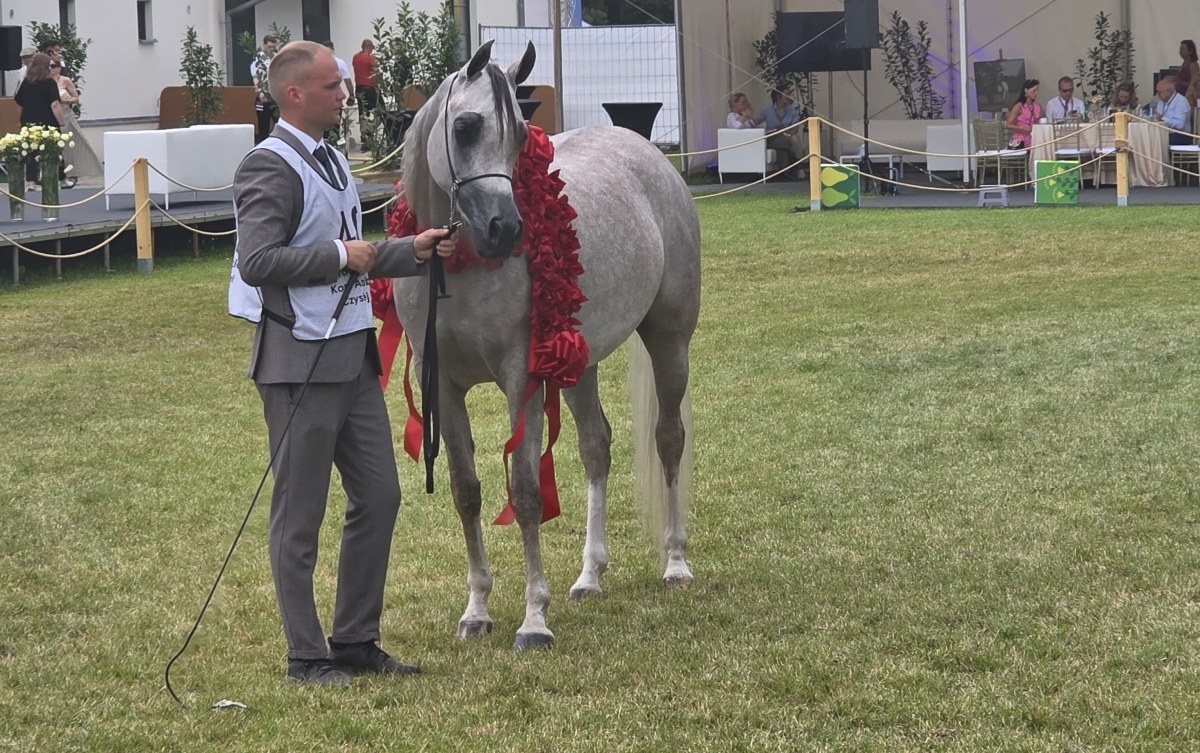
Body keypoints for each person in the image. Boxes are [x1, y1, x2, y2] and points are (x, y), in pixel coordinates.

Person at [232, 40, 458, 687]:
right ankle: (307, 655)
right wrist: (339, 255)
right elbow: (259, 262)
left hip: (352, 360)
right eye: (332, 85)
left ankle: (355, 638)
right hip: (298, 364)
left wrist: (408, 249)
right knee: (298, 516)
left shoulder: (330, 157)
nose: (345, 93)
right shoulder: (268, 166)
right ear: (295, 95)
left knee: (380, 496)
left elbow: (352, 251)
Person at [12, 53, 64, 191]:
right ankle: (55, 178)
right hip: (48, 121)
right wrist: (61, 121)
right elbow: (55, 104)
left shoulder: (27, 82)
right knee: (53, 149)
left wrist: (21, 118)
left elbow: (18, 102)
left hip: (29, 121)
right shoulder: (50, 83)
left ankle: (31, 181)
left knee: (30, 151)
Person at [50, 60, 100, 185]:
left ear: (58, 68)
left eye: (53, 66)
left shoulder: (65, 80)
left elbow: (76, 98)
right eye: (49, 66)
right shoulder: (45, 81)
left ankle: (72, 173)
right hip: (51, 116)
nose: (51, 69)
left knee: (69, 145)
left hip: (65, 115)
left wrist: (64, 101)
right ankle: (56, 172)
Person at [757, 87, 804, 174]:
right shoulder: (767, 109)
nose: (789, 96)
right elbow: (756, 121)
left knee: (795, 139)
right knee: (783, 140)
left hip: (787, 136)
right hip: (772, 138)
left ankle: (796, 164)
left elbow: (795, 127)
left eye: (789, 94)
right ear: (778, 96)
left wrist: (787, 134)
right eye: (786, 94)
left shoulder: (791, 110)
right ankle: (796, 161)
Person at [251, 34, 279, 143]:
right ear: (264, 45)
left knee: (278, 123)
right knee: (263, 126)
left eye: (273, 47)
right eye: (269, 47)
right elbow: (255, 77)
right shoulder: (258, 58)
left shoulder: (276, 57)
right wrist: (259, 91)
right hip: (263, 96)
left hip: (275, 97)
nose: (271, 49)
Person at [1152, 76, 1192, 145]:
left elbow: (1180, 125)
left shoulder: (1181, 101)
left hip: (1180, 135)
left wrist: (1163, 119)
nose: (1158, 95)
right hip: (1165, 133)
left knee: (1156, 141)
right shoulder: (1161, 101)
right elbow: (1157, 117)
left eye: (1160, 92)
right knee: (1149, 137)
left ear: (1170, 91)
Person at [1004, 79, 1041, 148]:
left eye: (1037, 90)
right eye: (1034, 90)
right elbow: (1008, 124)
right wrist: (1021, 128)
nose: (1036, 93)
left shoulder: (1037, 106)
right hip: (1021, 140)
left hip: (1034, 140)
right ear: (1026, 90)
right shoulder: (1019, 106)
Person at [352, 39, 377, 116]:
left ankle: (363, 127)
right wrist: (377, 87)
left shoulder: (355, 57)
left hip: (359, 89)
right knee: (375, 113)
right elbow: (375, 73)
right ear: (370, 46)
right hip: (369, 89)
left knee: (363, 113)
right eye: (372, 47)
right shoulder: (371, 57)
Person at [1175, 40, 1199, 105]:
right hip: (1181, 95)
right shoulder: (1184, 64)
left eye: (1183, 49)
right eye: (1180, 49)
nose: (1180, 51)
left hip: (1188, 97)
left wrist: (1180, 82)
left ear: (1190, 51)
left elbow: (1193, 83)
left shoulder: (1193, 65)